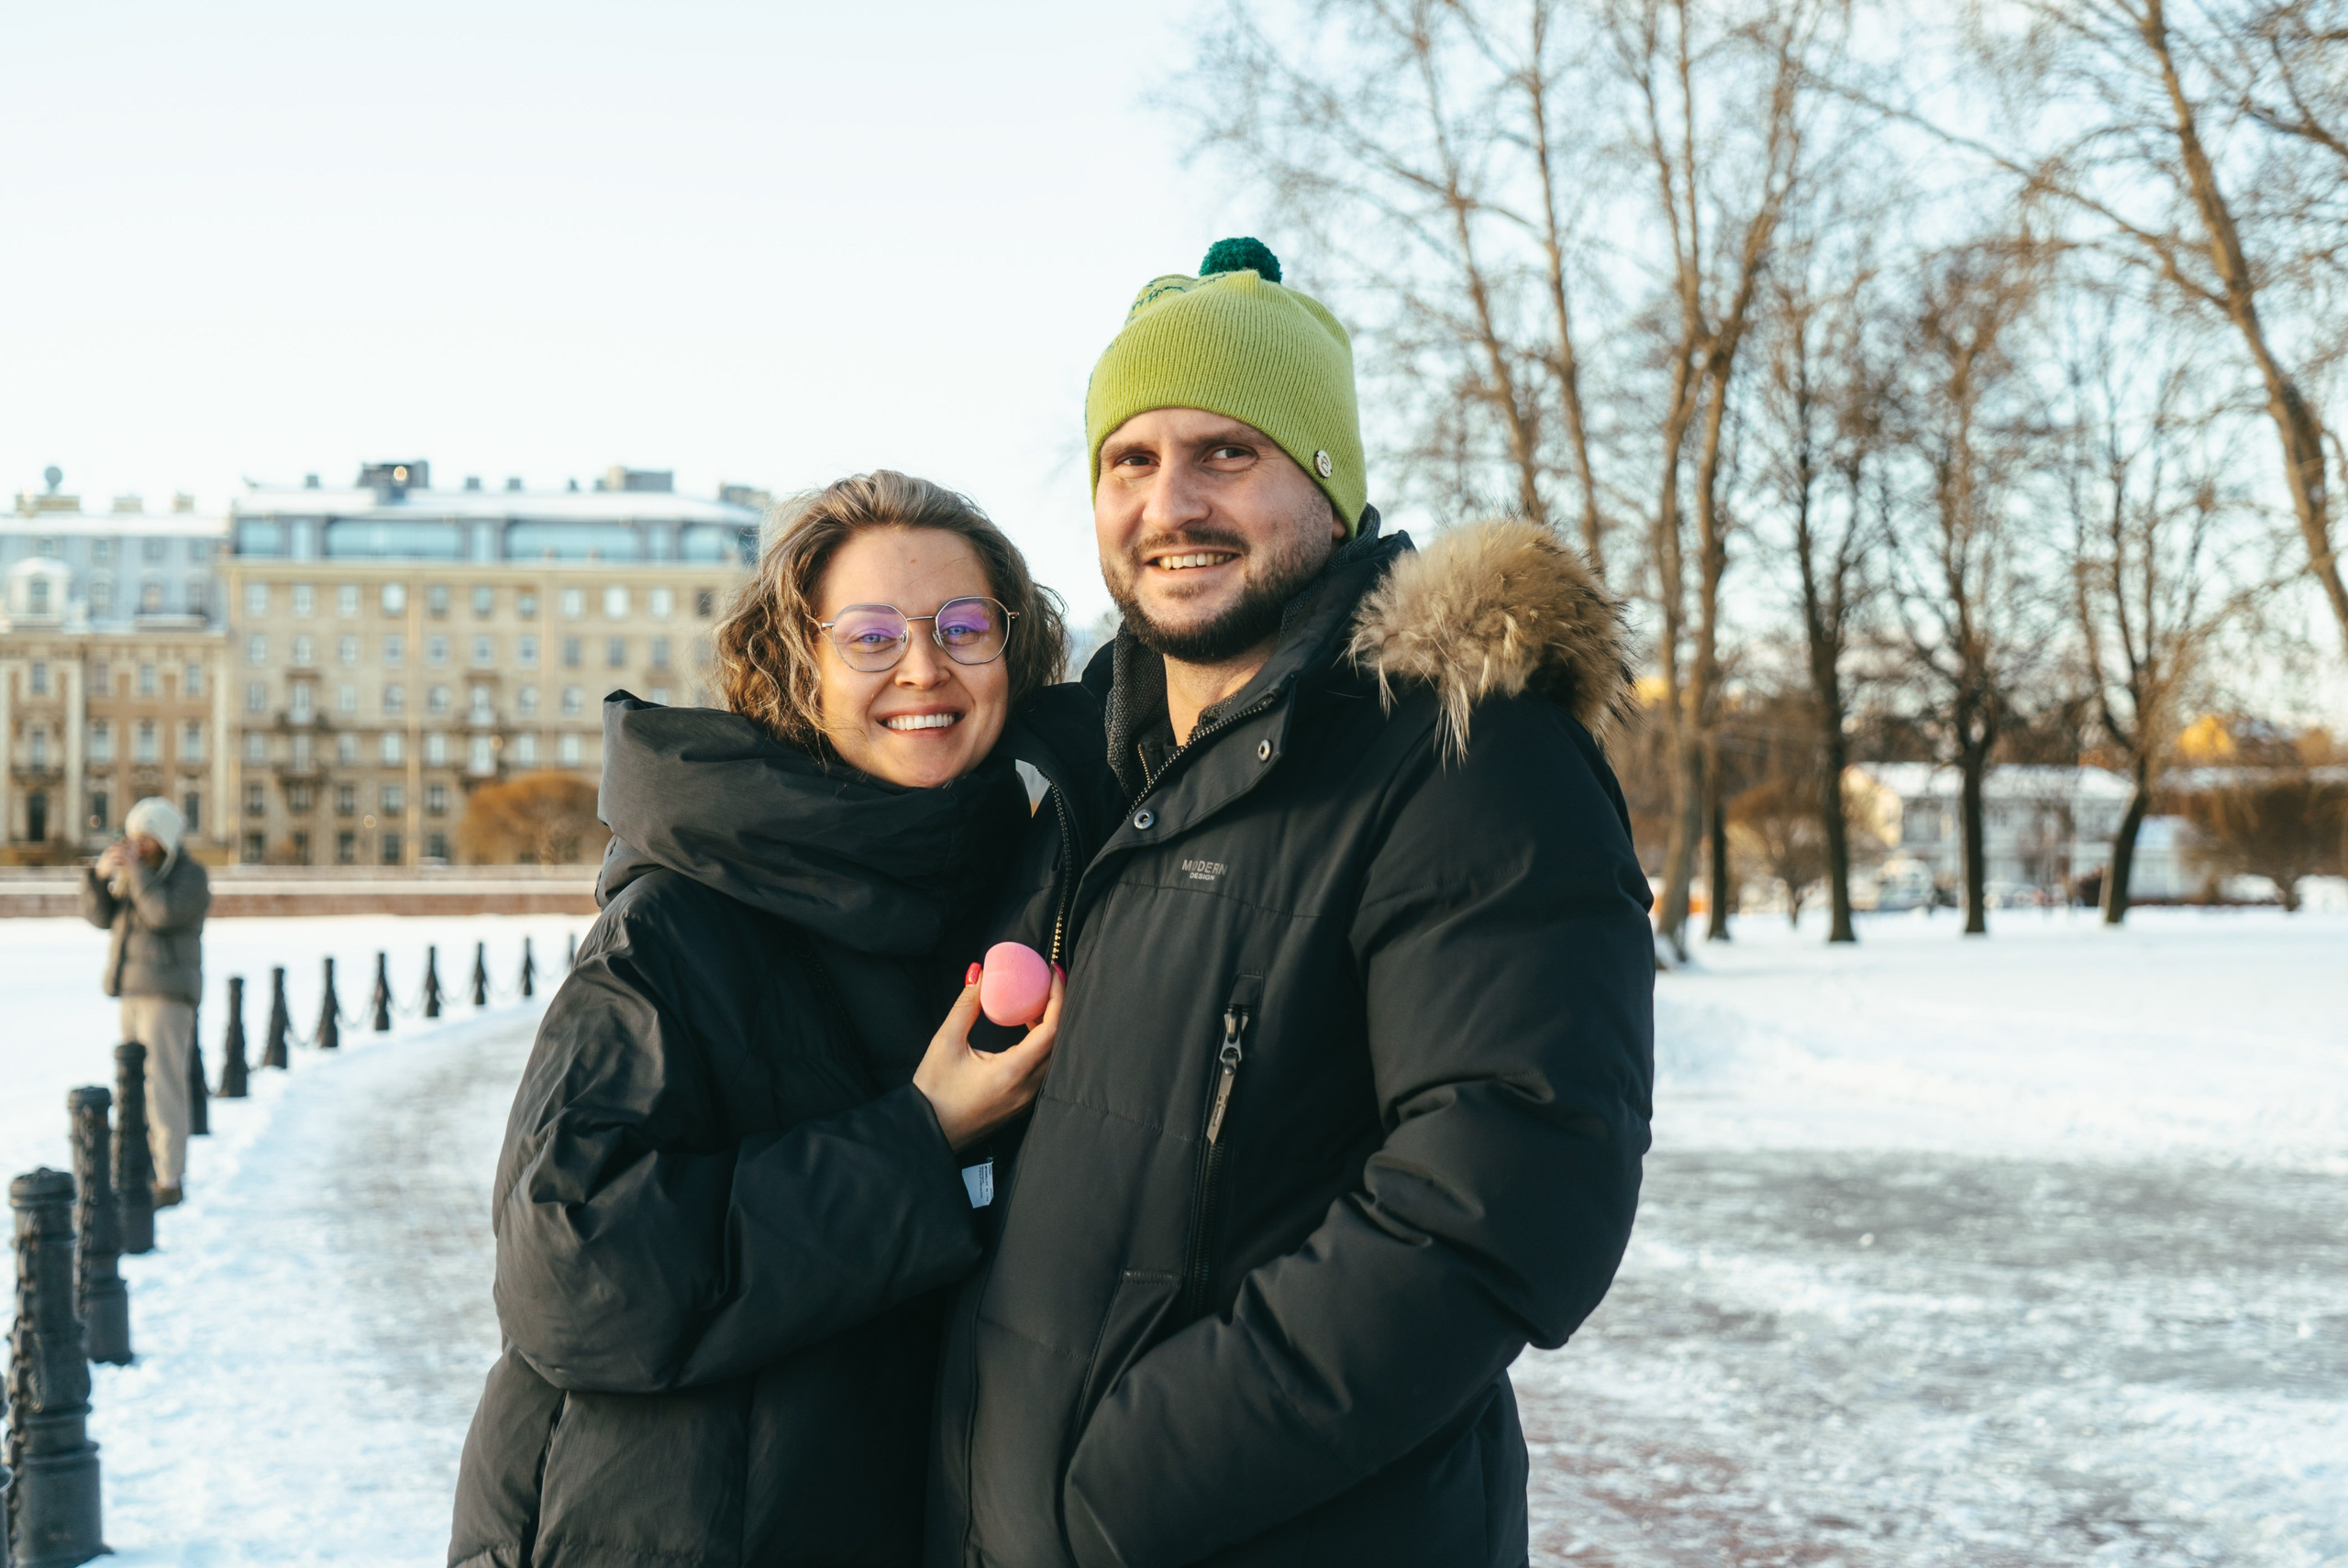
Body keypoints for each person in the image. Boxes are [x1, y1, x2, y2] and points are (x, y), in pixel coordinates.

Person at [928, 239, 1656, 1567]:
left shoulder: (1466, 757)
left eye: (1228, 453)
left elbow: (1500, 1201)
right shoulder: (1094, 780)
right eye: (1129, 461)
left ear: (1327, 488)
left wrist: (1115, 1493)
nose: (1171, 503)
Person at [449, 472, 1078, 1568]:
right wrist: (916, 1141)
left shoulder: (1005, 889)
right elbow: (569, 1266)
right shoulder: (682, 916)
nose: (923, 667)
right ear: (799, 665)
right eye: (871, 634)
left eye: (963, 626)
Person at [82, 795, 210, 1208]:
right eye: (133, 837)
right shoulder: (136, 877)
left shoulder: (190, 876)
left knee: (164, 1087)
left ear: (166, 839)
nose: (137, 846)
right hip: (133, 989)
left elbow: (161, 913)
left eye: (146, 839)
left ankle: (170, 1179)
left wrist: (135, 872)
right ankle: (139, 1169)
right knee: (132, 1086)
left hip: (168, 994)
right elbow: (101, 918)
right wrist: (98, 878)